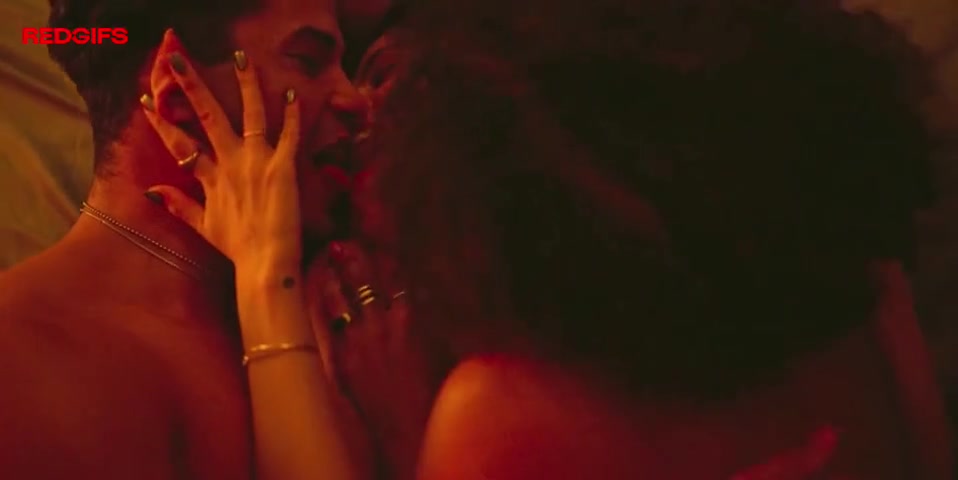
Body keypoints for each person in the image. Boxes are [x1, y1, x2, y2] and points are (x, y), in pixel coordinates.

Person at [144, 0, 956, 478]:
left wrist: (269, 291)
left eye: (401, 89)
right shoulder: (854, 289)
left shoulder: (504, 413)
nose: (359, 110)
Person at [0, 0, 371, 477]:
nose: (356, 101)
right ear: (177, 90)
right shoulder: (22, 355)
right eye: (308, 60)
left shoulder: (345, 329)